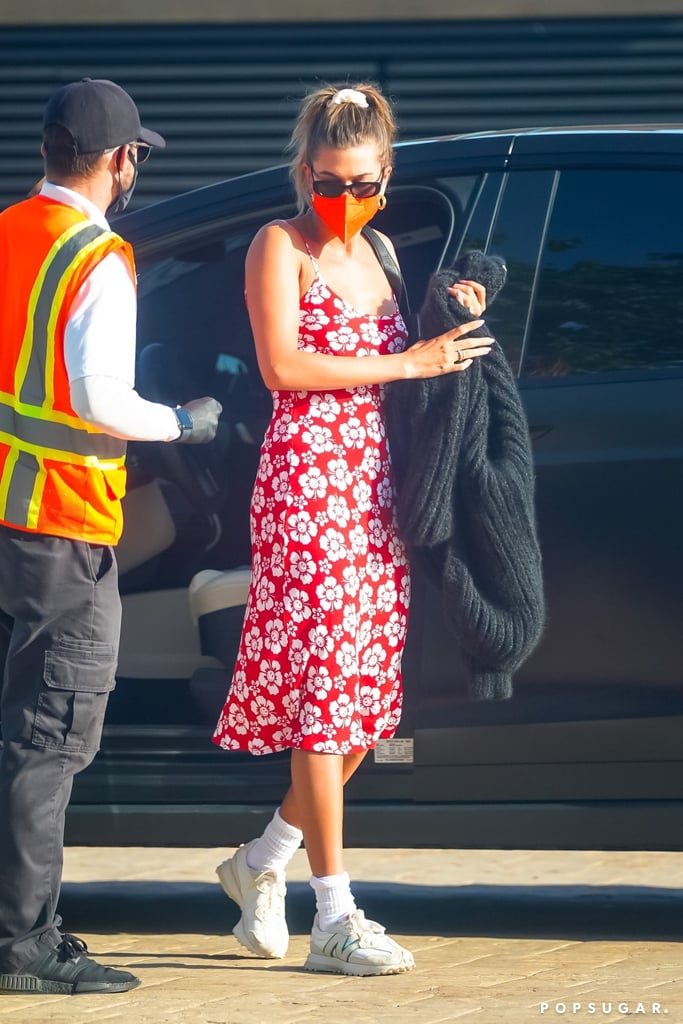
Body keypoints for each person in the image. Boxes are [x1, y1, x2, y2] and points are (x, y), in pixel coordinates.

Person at [211, 82, 493, 977]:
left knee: (363, 706)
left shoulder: (377, 248)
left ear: (384, 177)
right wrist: (407, 360)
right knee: (326, 697)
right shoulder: (279, 245)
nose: (347, 200)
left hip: (377, 488)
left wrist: (455, 313)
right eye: (330, 182)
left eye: (364, 183)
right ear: (304, 173)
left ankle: (260, 861)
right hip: (307, 482)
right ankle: (333, 913)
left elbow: (414, 353)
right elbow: (283, 365)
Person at [0, 77, 222, 995]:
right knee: (50, 736)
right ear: (121, 161)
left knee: (22, 729)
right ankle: (23, 946)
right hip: (61, 522)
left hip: (12, 518)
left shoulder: (13, 233)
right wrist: (184, 423)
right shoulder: (96, 255)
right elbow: (97, 398)